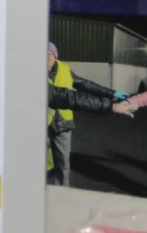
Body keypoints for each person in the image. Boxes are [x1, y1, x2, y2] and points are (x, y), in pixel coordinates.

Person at [45, 42, 129, 187]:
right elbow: (67, 96)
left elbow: (85, 84)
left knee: (63, 165)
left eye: (48, 55)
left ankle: (62, 194)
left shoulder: (65, 70)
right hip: (43, 125)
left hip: (63, 123)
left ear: (54, 55)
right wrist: (111, 106)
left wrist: (112, 93)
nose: (45, 59)